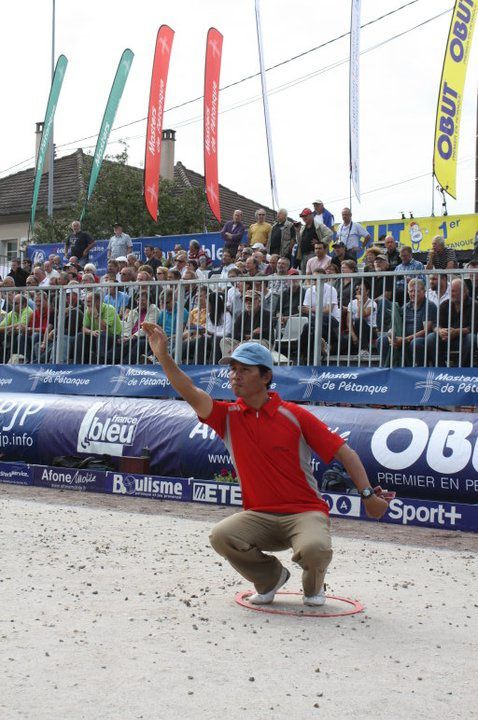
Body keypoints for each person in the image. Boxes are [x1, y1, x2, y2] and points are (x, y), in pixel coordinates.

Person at [140, 333, 391, 605]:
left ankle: (314, 587)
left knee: (314, 549)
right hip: (259, 516)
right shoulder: (226, 416)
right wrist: (163, 356)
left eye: (244, 370)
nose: (235, 376)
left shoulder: (295, 415)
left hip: (304, 512)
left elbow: (347, 454)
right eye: (232, 370)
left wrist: (367, 496)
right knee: (221, 536)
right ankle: (270, 578)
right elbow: (188, 389)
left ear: (266, 377)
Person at [426, 279, 477, 367]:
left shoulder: (475, 305)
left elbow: (474, 328)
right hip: (446, 339)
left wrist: (456, 332)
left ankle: (459, 369)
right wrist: (440, 331)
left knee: (471, 338)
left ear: (463, 292)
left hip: (463, 340)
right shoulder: (445, 304)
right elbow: (435, 323)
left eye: (453, 291)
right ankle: (441, 369)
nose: (451, 294)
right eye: (450, 291)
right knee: (430, 337)